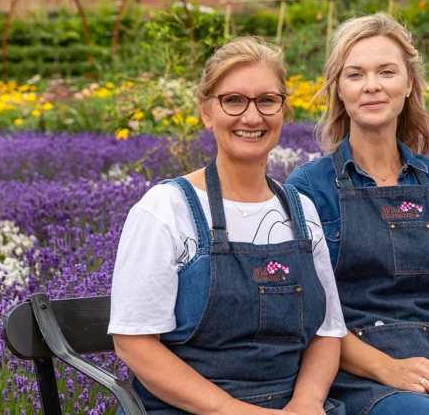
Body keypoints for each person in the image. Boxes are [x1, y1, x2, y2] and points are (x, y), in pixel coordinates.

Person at [286, 13, 429, 415]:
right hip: (356, 371)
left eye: (387, 72)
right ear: (339, 89)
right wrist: (390, 369)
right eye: (355, 74)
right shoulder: (309, 186)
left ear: (409, 84)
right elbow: (307, 314)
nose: (372, 86)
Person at [109, 36, 347, 415]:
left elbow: (327, 331)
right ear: (206, 111)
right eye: (233, 100)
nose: (252, 117)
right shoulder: (166, 209)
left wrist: (307, 401)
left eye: (267, 100)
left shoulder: (300, 211)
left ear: (283, 110)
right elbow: (133, 343)